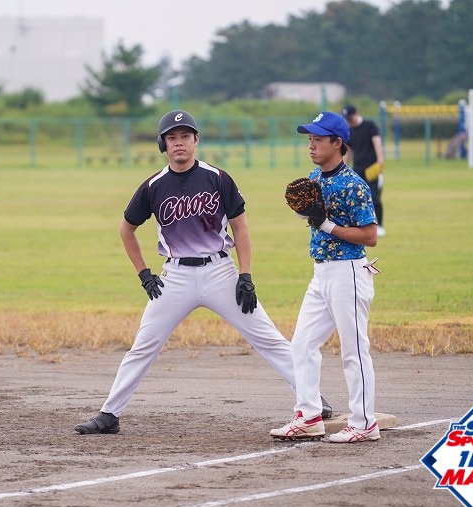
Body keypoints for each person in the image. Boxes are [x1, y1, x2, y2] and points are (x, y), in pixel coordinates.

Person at [75, 109, 331, 435]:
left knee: (267, 337)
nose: (179, 142)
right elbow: (127, 229)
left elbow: (240, 228)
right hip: (175, 277)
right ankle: (109, 414)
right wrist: (144, 274)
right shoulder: (153, 186)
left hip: (220, 272)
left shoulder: (217, 178)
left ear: (196, 140)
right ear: (163, 145)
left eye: (185, 136)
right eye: (171, 138)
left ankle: (312, 400)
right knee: (143, 345)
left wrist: (245, 275)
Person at [270, 111, 381, 443]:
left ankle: (364, 423)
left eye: (318, 139)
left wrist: (326, 224)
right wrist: (308, 213)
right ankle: (308, 416)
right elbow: (312, 215)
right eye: (310, 139)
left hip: (349, 271)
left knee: (354, 350)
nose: (311, 145)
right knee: (301, 345)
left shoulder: (353, 185)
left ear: (337, 143)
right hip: (321, 273)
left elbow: (370, 236)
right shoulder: (313, 179)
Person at [341, 105, 386, 237]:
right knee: (358, 198)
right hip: (357, 169)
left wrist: (380, 161)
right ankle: (361, 226)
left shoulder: (369, 126)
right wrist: (345, 167)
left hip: (371, 168)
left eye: (350, 118)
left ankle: (380, 225)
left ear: (356, 113)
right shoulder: (349, 131)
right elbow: (347, 151)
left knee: (374, 197)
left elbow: (377, 142)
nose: (350, 121)